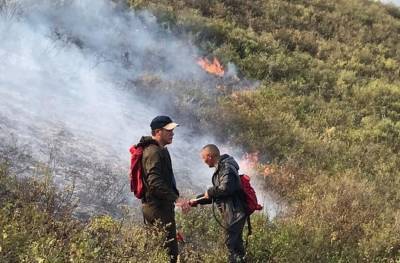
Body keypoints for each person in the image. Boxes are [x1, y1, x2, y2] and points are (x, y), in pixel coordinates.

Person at [190, 144, 247, 263]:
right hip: (232, 212)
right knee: (236, 247)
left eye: (203, 157)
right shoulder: (222, 167)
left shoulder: (226, 168)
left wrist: (210, 191)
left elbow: (225, 189)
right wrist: (196, 200)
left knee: (227, 246)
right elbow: (218, 193)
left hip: (235, 213)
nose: (203, 161)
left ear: (209, 156)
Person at [136, 115, 180, 263]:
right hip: (156, 209)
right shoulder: (153, 152)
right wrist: (176, 199)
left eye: (172, 130)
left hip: (161, 208)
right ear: (158, 132)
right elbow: (154, 183)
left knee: (166, 251)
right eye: (169, 130)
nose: (172, 133)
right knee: (166, 253)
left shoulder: (161, 150)